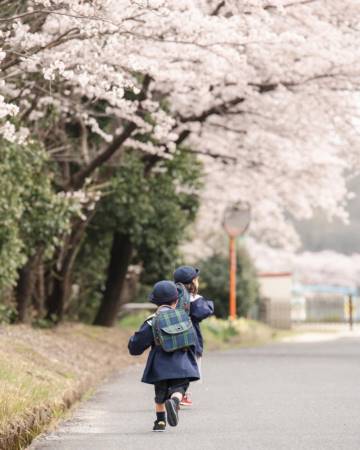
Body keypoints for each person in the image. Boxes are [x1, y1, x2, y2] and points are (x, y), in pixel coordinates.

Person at [128, 280, 200, 432]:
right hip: (182, 364)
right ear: (176, 300)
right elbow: (192, 340)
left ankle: (160, 421)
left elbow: (137, 344)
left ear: (154, 301)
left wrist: (133, 345)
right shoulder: (184, 318)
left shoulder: (152, 321)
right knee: (179, 388)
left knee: (160, 393)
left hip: (160, 366)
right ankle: (175, 401)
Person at [173, 265, 214, 407]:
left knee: (175, 365)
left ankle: (173, 392)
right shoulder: (194, 299)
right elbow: (205, 311)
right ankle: (181, 394)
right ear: (193, 282)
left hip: (171, 336)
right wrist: (208, 303)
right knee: (190, 366)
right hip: (190, 337)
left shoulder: (172, 297)